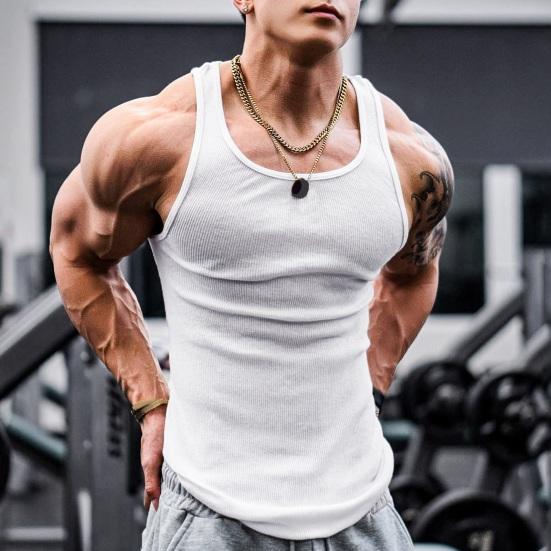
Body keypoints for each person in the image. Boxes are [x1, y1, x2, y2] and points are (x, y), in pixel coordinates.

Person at [49, 0, 453, 549]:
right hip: (208, 512)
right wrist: (151, 401)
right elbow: (78, 255)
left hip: (365, 512)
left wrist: (372, 386)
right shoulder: (157, 139)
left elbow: (412, 276)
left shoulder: (410, 159)